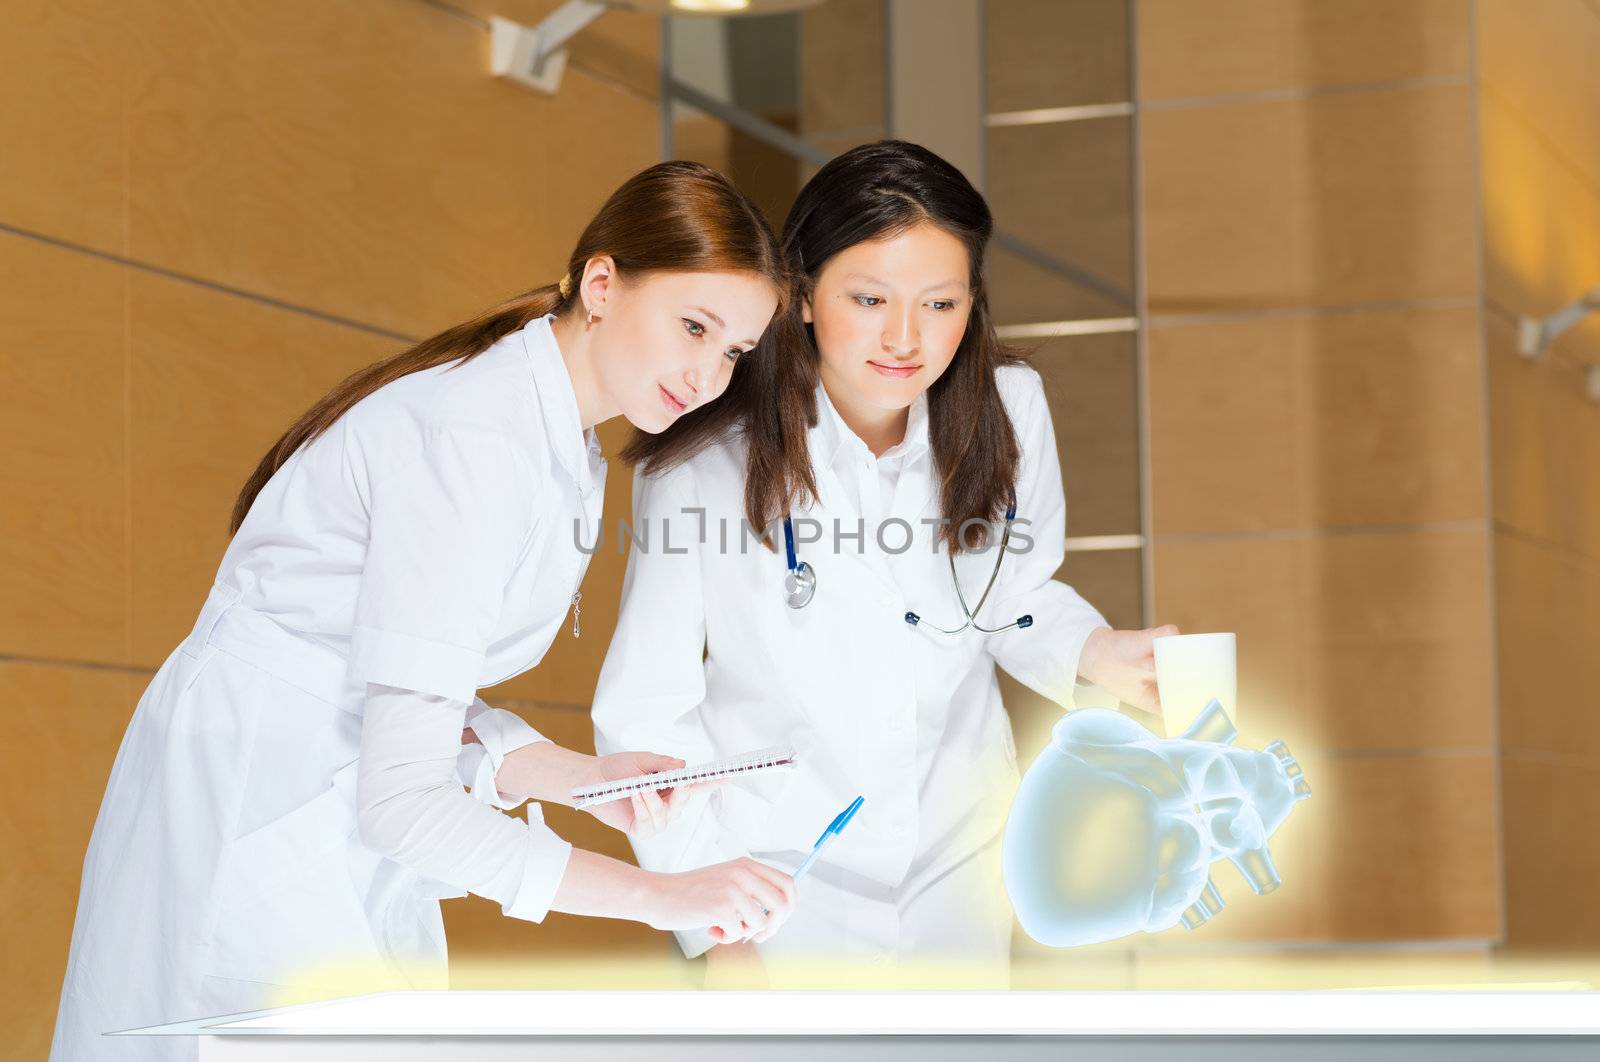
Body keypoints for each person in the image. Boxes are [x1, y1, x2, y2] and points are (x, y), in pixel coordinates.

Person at [52, 160, 797, 1061]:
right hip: (259, 802)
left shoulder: (552, 434)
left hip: (310, 800)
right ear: (602, 284)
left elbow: (408, 687)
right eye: (694, 325)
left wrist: (572, 777)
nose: (708, 372)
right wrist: (670, 898)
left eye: (733, 351)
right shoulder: (481, 440)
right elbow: (402, 802)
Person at [592, 141, 1177, 988]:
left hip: (959, 856)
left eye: (940, 303)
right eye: (868, 299)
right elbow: (648, 713)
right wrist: (712, 917)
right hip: (775, 872)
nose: (906, 338)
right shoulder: (701, 462)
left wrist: (1096, 654)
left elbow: (1010, 593)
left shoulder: (1009, 411)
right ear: (800, 298)